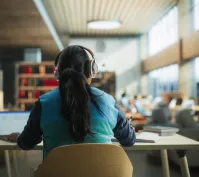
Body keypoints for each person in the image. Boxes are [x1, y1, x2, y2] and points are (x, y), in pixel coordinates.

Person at [8, 45, 136, 159]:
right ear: (90, 70)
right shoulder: (108, 101)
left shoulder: (44, 103)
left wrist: (20, 137)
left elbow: (26, 143)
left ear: (58, 73)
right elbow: (129, 140)